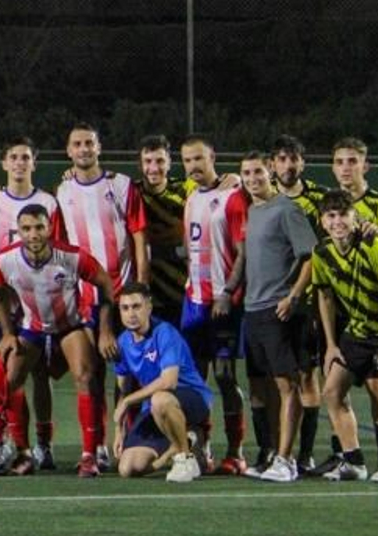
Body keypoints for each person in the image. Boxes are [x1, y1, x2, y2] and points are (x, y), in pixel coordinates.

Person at [0, 205, 118, 479]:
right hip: (32, 328)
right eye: (26, 229)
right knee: (10, 380)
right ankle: (24, 453)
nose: (33, 234)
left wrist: (104, 329)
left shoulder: (71, 257)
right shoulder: (4, 260)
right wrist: (8, 332)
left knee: (85, 375)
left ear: (49, 228)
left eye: (39, 228)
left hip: (70, 326)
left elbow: (106, 284)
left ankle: (89, 455)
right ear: (18, 231)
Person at [54, 123, 149, 472]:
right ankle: (93, 449)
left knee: (129, 377)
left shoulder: (120, 185)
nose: (83, 149)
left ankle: (126, 440)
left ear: (99, 147)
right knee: (90, 375)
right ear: (68, 151)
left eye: (89, 143)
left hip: (124, 297)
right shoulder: (62, 190)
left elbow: (139, 238)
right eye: (77, 144)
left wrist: (141, 287)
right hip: (84, 299)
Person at [311, 191, 378, 483]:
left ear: (355, 218)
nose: (337, 222)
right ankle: (353, 462)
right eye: (331, 216)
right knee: (332, 391)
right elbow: (326, 297)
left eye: (343, 215)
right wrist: (331, 345)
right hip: (358, 330)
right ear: (322, 221)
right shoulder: (321, 253)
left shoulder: (372, 245)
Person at [236, 152, 316, 482]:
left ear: (270, 170)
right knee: (258, 387)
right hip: (252, 311)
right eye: (245, 173)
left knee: (287, 385)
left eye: (257, 171)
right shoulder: (253, 211)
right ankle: (270, 454)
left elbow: (311, 257)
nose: (252, 178)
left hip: (277, 310)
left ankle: (287, 460)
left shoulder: (287, 208)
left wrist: (293, 296)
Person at [0, 137, 59, 469]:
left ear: (34, 163)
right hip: (5, 302)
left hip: (40, 299)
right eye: (13, 157)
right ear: (4, 163)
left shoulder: (50, 202)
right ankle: (12, 441)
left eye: (26, 157)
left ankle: (44, 444)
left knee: (40, 374)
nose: (19, 163)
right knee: (8, 374)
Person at [179, 135, 250, 473]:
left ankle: (236, 449)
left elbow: (243, 249)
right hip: (193, 302)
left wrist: (228, 292)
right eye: (188, 160)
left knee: (224, 375)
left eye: (198, 159)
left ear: (213, 157)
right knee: (195, 377)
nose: (193, 166)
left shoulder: (234, 196)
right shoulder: (190, 198)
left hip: (224, 301)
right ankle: (203, 446)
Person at [110, 282, 215, 483]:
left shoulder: (164, 332)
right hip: (154, 408)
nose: (131, 313)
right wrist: (119, 430)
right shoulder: (123, 342)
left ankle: (185, 458)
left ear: (149, 307)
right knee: (128, 467)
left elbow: (169, 381)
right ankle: (179, 446)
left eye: (136, 306)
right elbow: (123, 391)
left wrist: (128, 401)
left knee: (161, 399)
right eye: (125, 308)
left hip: (191, 397)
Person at [270, 134, 330, 474]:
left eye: (293, 158)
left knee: (308, 377)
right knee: (274, 378)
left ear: (302, 163)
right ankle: (274, 451)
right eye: (281, 158)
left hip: (307, 303)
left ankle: (304, 454)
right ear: (272, 164)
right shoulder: (263, 197)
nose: (288, 165)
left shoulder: (319, 199)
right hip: (270, 302)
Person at [136, 135, 193, 328]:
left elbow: (216, 183)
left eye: (160, 161)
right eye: (148, 161)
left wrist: (232, 178)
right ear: (140, 165)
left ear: (169, 163)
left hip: (182, 292)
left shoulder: (185, 189)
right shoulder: (130, 193)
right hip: (147, 294)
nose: (153, 168)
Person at [330, 137, 378, 249]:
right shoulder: (325, 203)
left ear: (365, 167)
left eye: (352, 161)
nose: (345, 168)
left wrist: (377, 231)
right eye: (339, 162)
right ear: (333, 168)